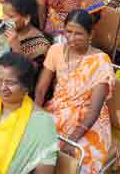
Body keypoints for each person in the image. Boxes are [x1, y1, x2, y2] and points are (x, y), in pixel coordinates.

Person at [34, 10, 114, 174]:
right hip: (58, 111)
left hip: (88, 123)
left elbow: (94, 110)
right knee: (31, 139)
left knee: (77, 156)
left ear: (90, 35)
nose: (71, 37)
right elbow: (42, 88)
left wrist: (72, 140)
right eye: (68, 32)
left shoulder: (101, 61)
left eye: (78, 34)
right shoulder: (56, 50)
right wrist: (35, 112)